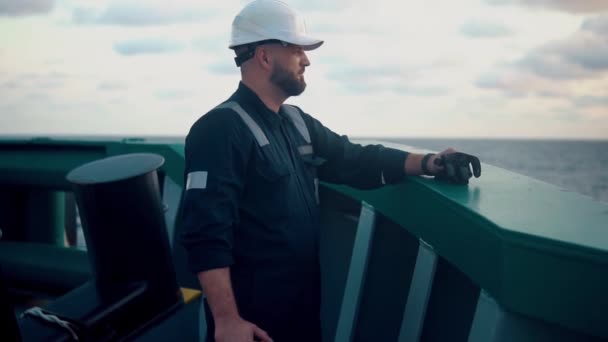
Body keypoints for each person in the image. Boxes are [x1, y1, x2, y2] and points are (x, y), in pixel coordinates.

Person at [180, 1, 481, 341]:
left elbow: (354, 159)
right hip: (253, 327)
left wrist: (430, 163)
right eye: (297, 51)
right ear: (265, 57)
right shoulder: (219, 129)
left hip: (302, 317)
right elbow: (206, 232)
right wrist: (228, 320)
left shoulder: (296, 122)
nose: (306, 60)